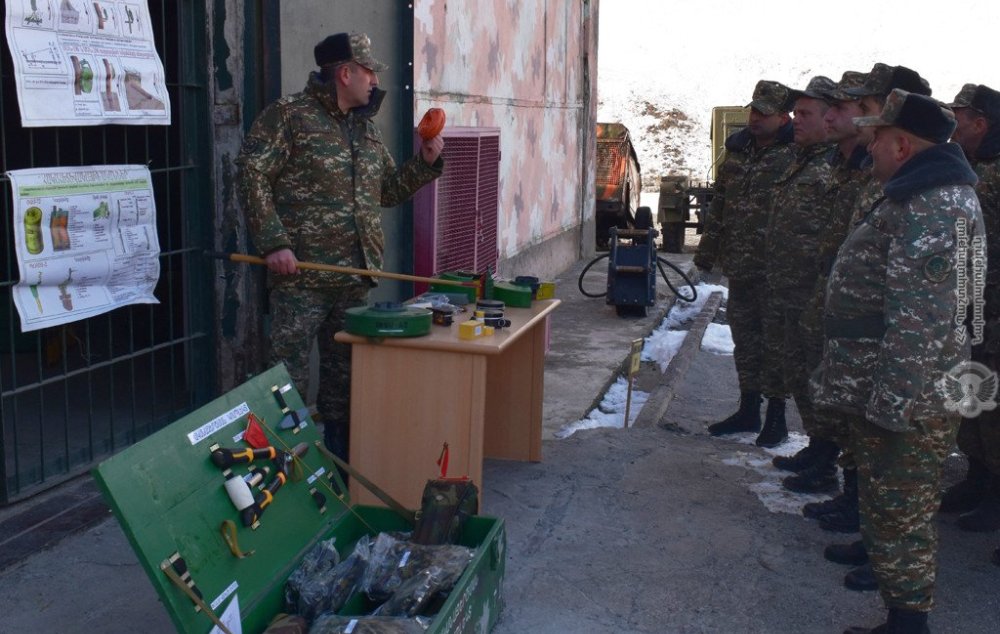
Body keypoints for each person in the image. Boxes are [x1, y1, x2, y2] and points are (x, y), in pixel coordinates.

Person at [811, 89, 983, 634]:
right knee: (889, 509)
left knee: (901, 514)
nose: (870, 146)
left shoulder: (936, 205)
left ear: (903, 145)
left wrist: (892, 401)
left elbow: (922, 318)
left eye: (878, 138)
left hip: (910, 395)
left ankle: (908, 624)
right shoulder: (917, 194)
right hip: (892, 385)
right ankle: (900, 611)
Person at [236, 32, 445, 460]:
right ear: (345, 73)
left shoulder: (364, 129)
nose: (375, 80)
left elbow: (386, 191)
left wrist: (425, 164)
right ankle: (283, 468)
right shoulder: (289, 116)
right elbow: (251, 173)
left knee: (346, 382)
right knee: (285, 378)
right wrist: (274, 243)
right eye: (369, 71)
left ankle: (342, 467)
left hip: (353, 277)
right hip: (302, 277)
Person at [695, 80, 796, 444]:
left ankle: (777, 417)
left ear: (784, 117)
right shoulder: (738, 152)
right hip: (740, 265)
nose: (755, 118)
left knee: (776, 343)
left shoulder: (797, 154)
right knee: (746, 339)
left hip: (777, 268)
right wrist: (707, 253)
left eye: (764, 113)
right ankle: (749, 409)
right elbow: (720, 205)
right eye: (753, 110)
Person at [758, 75, 835, 450]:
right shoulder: (798, 159)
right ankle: (816, 447)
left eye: (805, 114)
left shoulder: (834, 167)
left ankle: (826, 453)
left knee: (817, 373)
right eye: (796, 113)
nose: (796, 120)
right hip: (786, 287)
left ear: (828, 118)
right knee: (794, 368)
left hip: (813, 291)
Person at [939, 84, 1000, 537]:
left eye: (959, 117)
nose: (952, 125)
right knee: (972, 397)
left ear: (981, 122)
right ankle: (976, 477)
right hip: (969, 306)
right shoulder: (967, 166)